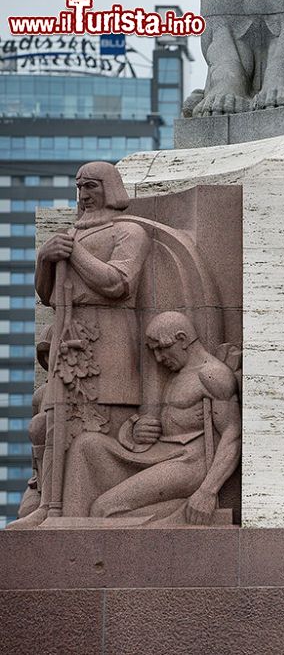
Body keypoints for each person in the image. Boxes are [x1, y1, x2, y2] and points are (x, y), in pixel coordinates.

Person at [8, 162, 151, 529]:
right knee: (55, 421)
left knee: (94, 425)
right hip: (67, 337)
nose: (84, 194)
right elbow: (47, 294)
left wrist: (73, 253)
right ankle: (51, 506)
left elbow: (118, 283)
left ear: (110, 189)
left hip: (109, 335)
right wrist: (44, 258)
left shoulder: (128, 231)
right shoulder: (72, 232)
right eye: (79, 186)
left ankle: (76, 507)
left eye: (92, 186)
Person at [61, 312, 241, 525]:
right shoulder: (181, 373)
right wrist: (136, 429)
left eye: (161, 348)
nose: (158, 358)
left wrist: (207, 492)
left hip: (189, 460)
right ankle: (68, 522)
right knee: (86, 444)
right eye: (153, 350)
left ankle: (178, 513)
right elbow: (166, 421)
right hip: (160, 452)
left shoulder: (212, 375)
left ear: (182, 339)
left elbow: (233, 434)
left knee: (103, 508)